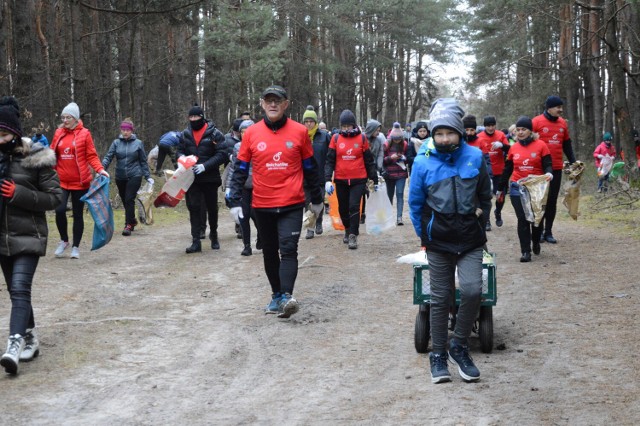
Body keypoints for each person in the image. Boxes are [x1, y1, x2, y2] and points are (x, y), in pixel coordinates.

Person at [408, 98, 492, 384]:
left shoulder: (475, 157)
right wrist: (424, 235)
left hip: (470, 239)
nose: (444, 139)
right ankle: (439, 355)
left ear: (459, 132)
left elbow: (484, 193)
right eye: (439, 133)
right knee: (440, 298)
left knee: (471, 291)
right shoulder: (422, 162)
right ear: (433, 134)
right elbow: (416, 203)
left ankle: (459, 344)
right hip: (439, 241)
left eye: (450, 133)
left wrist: (481, 222)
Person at [228, 85, 324, 318]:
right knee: (269, 251)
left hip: (291, 202)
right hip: (262, 203)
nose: (272, 104)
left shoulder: (300, 132)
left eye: (277, 100)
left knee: (289, 249)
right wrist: (234, 198)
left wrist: (317, 199)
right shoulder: (251, 133)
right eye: (268, 100)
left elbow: (310, 167)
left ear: (285, 104)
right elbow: (240, 168)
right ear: (262, 104)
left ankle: (287, 297)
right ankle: (276, 295)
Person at [0, 96, 62, 375]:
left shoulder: (37, 157)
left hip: (30, 235)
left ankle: (14, 344)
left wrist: (18, 195)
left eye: (3, 134)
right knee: (16, 292)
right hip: (2, 239)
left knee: (21, 288)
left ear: (14, 133)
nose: (0, 140)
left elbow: (56, 199)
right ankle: (31, 338)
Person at [50, 102, 109, 259]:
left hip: (80, 182)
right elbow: (51, 153)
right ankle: (64, 241)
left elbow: (91, 155)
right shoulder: (58, 133)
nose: (65, 120)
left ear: (75, 118)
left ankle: (76, 246)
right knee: (60, 209)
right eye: (63, 117)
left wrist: (100, 169)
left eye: (68, 117)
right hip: (61, 181)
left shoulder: (85, 134)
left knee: (78, 214)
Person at [497, 116, 553, 262]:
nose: (520, 132)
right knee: (522, 219)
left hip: (535, 187)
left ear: (531, 131)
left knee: (536, 219)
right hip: (517, 186)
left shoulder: (541, 145)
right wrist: (500, 188)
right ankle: (525, 251)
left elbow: (547, 163)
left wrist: (549, 173)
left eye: (524, 129)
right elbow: (507, 169)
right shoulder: (513, 147)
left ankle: (535, 241)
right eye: (518, 130)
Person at [324, 109, 379, 249]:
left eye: (349, 126)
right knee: (343, 208)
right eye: (344, 126)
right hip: (341, 179)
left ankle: (353, 235)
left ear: (354, 125)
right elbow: (330, 161)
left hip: (358, 179)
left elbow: (369, 160)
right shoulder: (335, 139)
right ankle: (347, 230)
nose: (346, 129)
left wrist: (374, 178)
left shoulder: (362, 138)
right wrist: (327, 179)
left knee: (354, 206)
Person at [177, 104, 226, 253]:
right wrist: (181, 159)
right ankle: (196, 241)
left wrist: (205, 166)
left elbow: (222, 154)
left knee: (212, 208)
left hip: (210, 177)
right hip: (191, 178)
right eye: (191, 117)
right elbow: (179, 151)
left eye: (196, 117)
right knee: (194, 208)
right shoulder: (185, 134)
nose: (193, 119)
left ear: (202, 117)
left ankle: (214, 235)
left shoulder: (215, 133)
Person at [532, 96, 576, 244]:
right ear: (549, 108)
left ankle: (548, 232)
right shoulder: (536, 122)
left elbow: (567, 145)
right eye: (558, 107)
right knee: (539, 201)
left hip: (556, 167)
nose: (561, 110)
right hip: (539, 169)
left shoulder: (563, 123)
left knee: (551, 201)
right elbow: (527, 141)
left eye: (561, 107)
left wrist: (573, 162)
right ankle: (538, 231)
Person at [102, 118, 154, 236]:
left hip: (135, 175)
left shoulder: (138, 143)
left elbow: (143, 161)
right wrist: (101, 169)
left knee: (129, 198)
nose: (125, 132)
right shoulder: (116, 143)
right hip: (120, 176)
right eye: (123, 130)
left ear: (132, 131)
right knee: (125, 200)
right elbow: (108, 157)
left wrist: (147, 176)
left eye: (127, 130)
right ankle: (132, 220)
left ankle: (128, 225)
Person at [225, 119, 258, 255]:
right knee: (243, 215)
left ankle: (262, 235)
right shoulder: (238, 147)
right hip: (243, 185)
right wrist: (228, 187)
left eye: (248, 132)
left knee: (256, 215)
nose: (245, 134)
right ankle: (247, 245)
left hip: (258, 186)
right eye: (243, 132)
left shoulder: (260, 145)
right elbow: (233, 168)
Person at [302, 106, 331, 239]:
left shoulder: (324, 136)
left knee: (318, 201)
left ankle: (318, 222)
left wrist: (329, 174)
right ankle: (310, 228)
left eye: (311, 121)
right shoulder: (300, 136)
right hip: (304, 176)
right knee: (307, 202)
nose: (309, 124)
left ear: (315, 122)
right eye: (306, 121)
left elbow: (330, 155)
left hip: (319, 175)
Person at [476, 115, 510, 229]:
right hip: (486, 172)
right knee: (486, 197)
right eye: (488, 126)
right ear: (485, 126)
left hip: (500, 171)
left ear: (495, 125)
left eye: (492, 125)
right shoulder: (479, 137)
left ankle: (498, 212)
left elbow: (510, 149)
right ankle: (486, 220)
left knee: (500, 196)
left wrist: (502, 145)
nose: (490, 128)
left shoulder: (500, 135)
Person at [383, 122, 409, 225]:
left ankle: (399, 218)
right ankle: (389, 217)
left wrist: (404, 158)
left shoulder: (405, 145)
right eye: (395, 139)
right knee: (389, 195)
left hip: (401, 174)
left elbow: (408, 158)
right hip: (389, 174)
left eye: (399, 139)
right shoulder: (386, 145)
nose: (397, 141)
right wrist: (390, 158)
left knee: (400, 194)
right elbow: (382, 160)